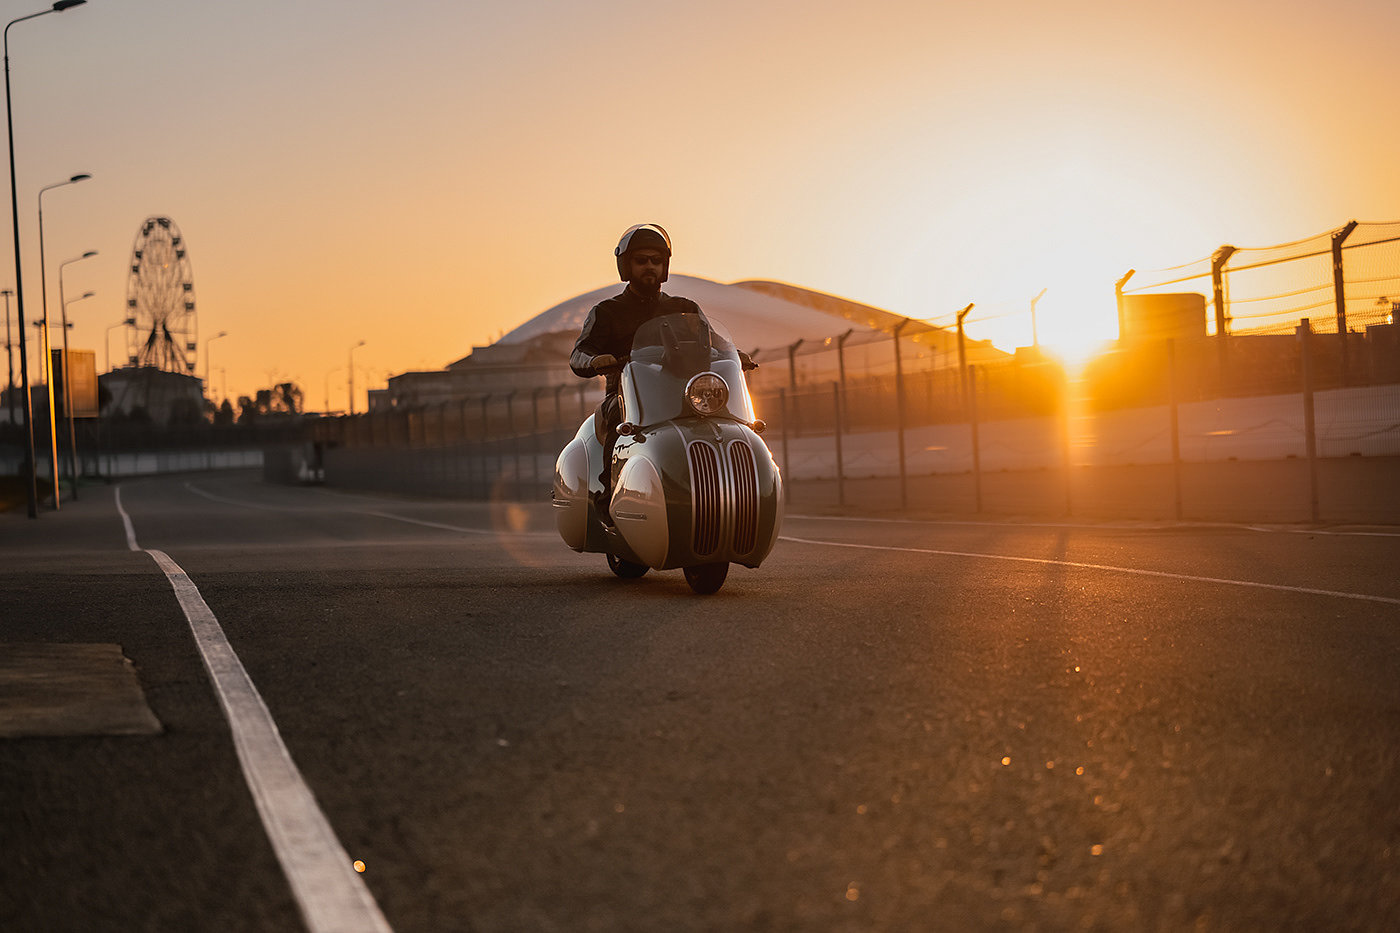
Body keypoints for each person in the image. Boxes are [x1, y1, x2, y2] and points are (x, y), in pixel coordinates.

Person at [570, 223, 699, 518]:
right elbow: (579, 352)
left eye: (656, 261)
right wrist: (592, 361)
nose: (650, 267)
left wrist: (736, 355)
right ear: (627, 266)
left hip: (680, 394)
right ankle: (609, 495)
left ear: (665, 267)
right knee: (618, 419)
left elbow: (712, 343)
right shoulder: (607, 312)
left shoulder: (685, 309)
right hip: (627, 397)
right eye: (642, 261)